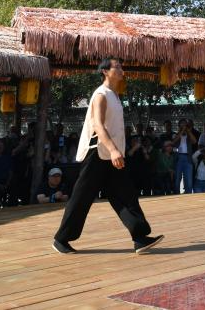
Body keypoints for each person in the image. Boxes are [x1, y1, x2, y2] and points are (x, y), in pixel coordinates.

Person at [53, 58, 162, 254]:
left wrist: (115, 151)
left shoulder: (115, 95)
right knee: (82, 197)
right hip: (96, 153)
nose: (121, 69)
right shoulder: (101, 95)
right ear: (105, 71)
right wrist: (113, 150)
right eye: (116, 67)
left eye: (121, 66)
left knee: (125, 194)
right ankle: (61, 240)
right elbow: (98, 126)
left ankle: (139, 237)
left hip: (112, 154)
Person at [172, 119, 198, 194]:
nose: (184, 125)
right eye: (182, 124)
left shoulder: (189, 135)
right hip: (178, 158)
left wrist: (188, 131)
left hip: (188, 158)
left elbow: (194, 141)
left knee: (189, 181)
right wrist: (182, 131)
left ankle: (188, 196)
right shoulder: (176, 134)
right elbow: (173, 142)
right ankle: (176, 195)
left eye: (185, 124)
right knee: (177, 180)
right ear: (179, 125)